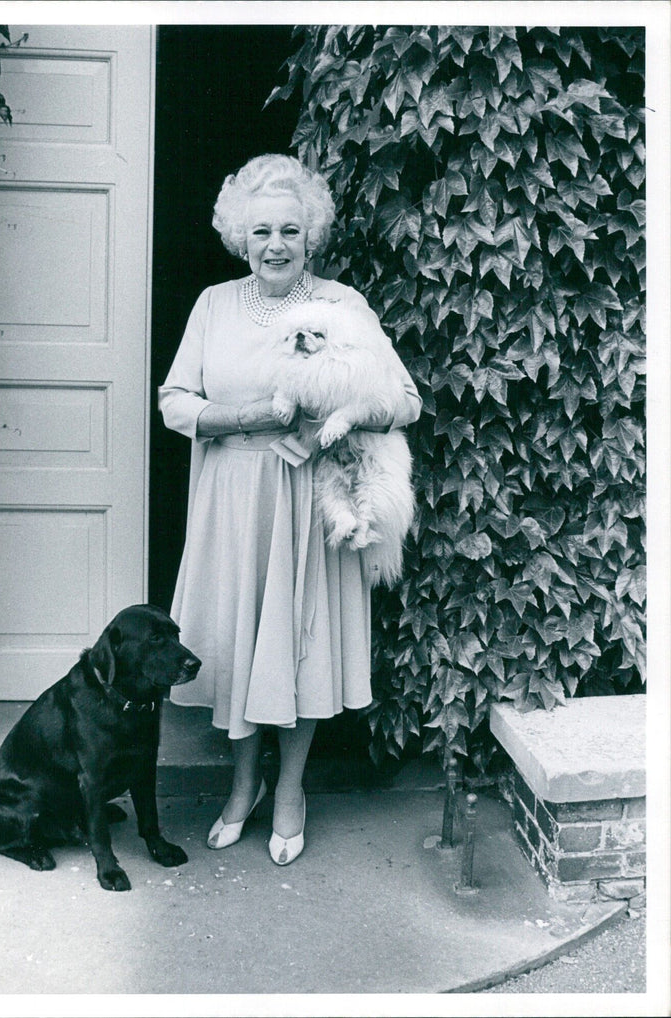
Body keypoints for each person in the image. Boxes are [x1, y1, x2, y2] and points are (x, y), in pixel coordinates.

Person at [158, 154, 422, 866]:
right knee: (240, 642)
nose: (276, 244)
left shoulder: (342, 305)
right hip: (235, 503)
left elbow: (405, 401)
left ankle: (290, 791)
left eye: (291, 230)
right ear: (240, 239)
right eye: (262, 231)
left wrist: (333, 416)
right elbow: (175, 402)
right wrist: (248, 417)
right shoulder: (214, 304)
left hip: (314, 502)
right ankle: (241, 785)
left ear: (313, 237)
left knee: (298, 646)